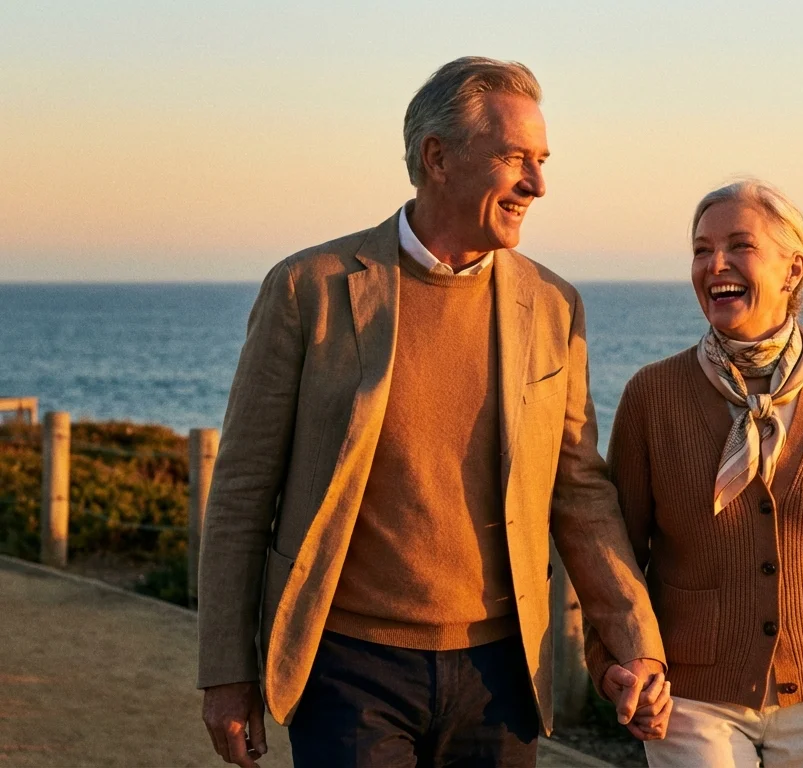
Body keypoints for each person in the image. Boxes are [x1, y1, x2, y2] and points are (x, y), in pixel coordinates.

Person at [196, 56, 671, 767]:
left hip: (502, 675)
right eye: (514, 158)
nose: (537, 184)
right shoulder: (308, 289)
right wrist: (226, 672)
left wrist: (636, 644)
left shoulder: (553, 305)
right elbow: (242, 490)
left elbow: (579, 492)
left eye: (541, 161)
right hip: (348, 669)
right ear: (437, 157)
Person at [586, 179, 803, 767]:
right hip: (689, 696)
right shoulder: (653, 395)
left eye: (739, 246)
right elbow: (614, 556)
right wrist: (616, 665)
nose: (714, 264)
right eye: (701, 250)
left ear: (793, 269)